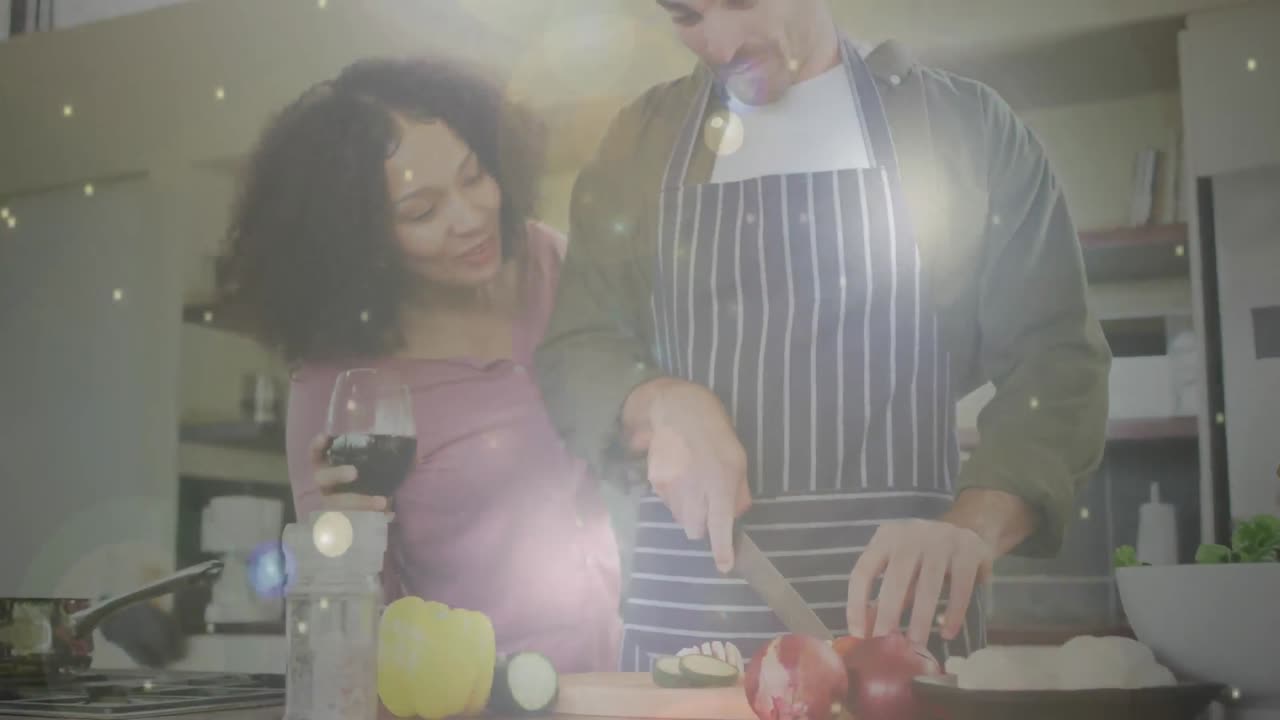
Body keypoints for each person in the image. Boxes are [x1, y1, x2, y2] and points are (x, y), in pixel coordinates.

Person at [534, 0, 1112, 669]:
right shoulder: (638, 145)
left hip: (903, 638)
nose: (722, 44)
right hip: (687, 638)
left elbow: (1057, 361)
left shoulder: (965, 128)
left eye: (742, 1)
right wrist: (657, 402)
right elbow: (579, 348)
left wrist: (974, 525)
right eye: (687, 15)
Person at [218, 57, 623, 675]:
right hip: (468, 701)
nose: (469, 218)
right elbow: (346, 635)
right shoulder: (339, 384)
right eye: (421, 212)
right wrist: (343, 547)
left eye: (474, 176)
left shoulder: (549, 264)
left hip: (616, 683)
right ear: (362, 240)